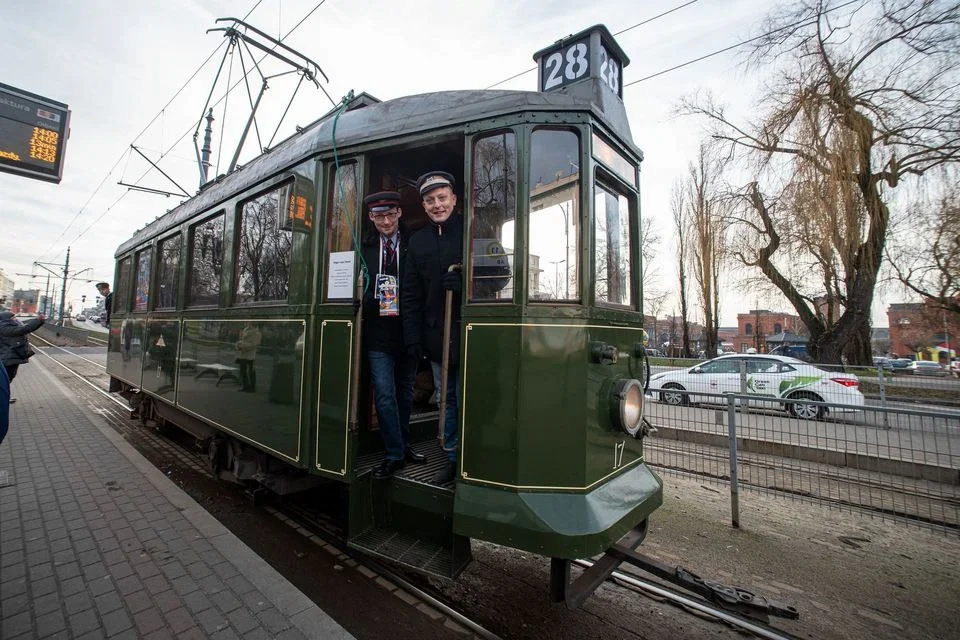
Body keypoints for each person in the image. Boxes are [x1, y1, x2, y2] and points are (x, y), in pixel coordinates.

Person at [358, 190, 426, 479]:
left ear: (399, 213)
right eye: (378, 216)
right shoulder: (363, 246)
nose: (384, 221)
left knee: (405, 394)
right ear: (370, 218)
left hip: (407, 329)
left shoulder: (415, 243)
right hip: (377, 332)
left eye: (389, 214)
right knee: (384, 395)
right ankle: (394, 454)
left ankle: (404, 445)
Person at [402, 171, 463, 484]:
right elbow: (410, 294)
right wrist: (413, 338)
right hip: (437, 335)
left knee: (470, 396)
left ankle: (473, 455)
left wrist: (467, 283)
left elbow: (501, 275)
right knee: (447, 398)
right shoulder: (418, 241)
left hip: (471, 333)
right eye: (430, 200)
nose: (437, 205)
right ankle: (453, 457)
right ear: (424, 206)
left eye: (442, 198)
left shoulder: (472, 230)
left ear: (453, 198)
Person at [0, 311, 45, 406]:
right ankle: (4, 398)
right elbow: (24, 329)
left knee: (8, 378)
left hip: (12, 357)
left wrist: (39, 321)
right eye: (13, 317)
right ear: (7, 319)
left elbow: (25, 328)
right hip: (7, 358)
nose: (15, 319)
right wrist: (38, 320)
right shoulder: (4, 327)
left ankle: (5, 397)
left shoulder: (10, 326)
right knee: (6, 379)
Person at [235, 322, 262, 392]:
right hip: (243, 354)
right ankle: (245, 385)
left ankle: (252, 387)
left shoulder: (256, 332)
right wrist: (238, 345)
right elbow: (242, 339)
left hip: (250, 355)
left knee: (251, 371)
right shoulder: (245, 329)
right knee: (243, 370)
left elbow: (254, 344)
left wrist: (242, 346)